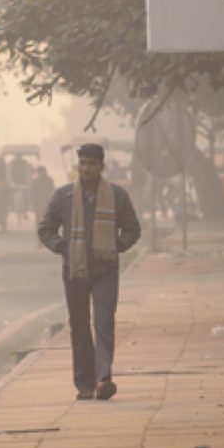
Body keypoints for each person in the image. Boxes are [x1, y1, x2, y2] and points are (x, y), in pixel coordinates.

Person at [37, 143, 143, 399]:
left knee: (104, 321)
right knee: (80, 325)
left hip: (106, 269)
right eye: (82, 163)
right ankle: (84, 383)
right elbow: (45, 229)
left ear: (101, 167)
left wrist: (114, 246)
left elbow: (132, 229)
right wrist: (63, 249)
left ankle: (103, 378)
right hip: (74, 271)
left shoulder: (117, 196)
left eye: (91, 163)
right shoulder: (63, 196)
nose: (86, 168)